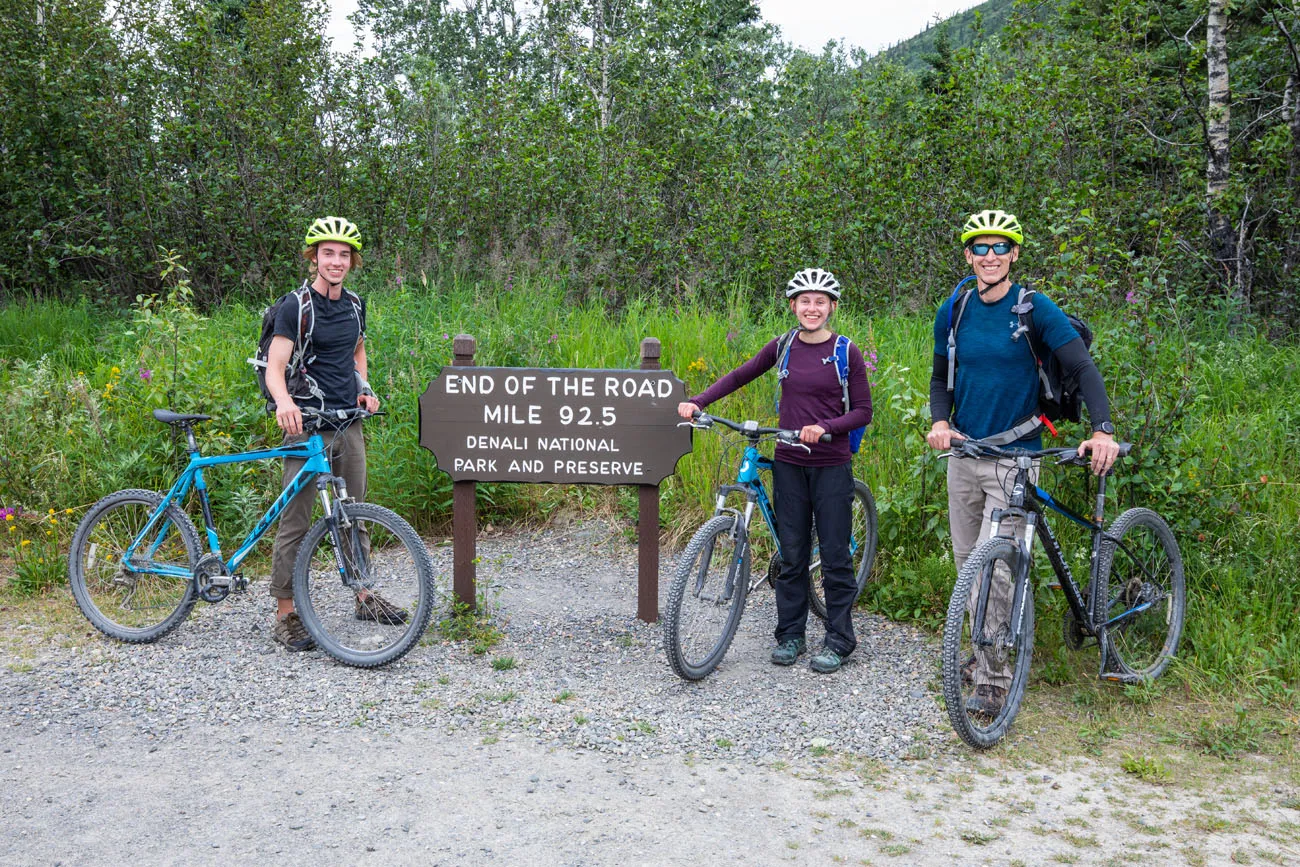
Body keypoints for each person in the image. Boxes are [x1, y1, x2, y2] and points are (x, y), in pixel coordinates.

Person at [926, 209, 1120, 713]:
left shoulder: (1034, 308)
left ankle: (994, 677)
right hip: (964, 452)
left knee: (1000, 570)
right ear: (968, 255)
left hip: (1015, 458)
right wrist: (940, 421)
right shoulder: (957, 306)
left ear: (1013, 255)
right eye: (980, 248)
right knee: (969, 564)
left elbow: (1081, 365)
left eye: (999, 248)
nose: (989, 257)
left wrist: (1102, 430)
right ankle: (982, 647)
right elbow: (938, 375)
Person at [678, 269, 872, 673]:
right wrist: (698, 401)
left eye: (820, 301)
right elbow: (741, 375)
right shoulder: (783, 346)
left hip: (830, 464)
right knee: (791, 552)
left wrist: (826, 428)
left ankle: (839, 639)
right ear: (793, 306)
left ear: (832, 307)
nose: (812, 308)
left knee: (835, 555)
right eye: (805, 301)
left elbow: (862, 412)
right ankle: (791, 635)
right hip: (788, 462)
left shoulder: (845, 351)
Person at [265, 216, 399, 651]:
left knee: (353, 511)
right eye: (328, 253)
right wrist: (285, 402)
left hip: (347, 422)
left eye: (344, 255)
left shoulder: (355, 304)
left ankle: (363, 594)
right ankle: (286, 613)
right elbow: (275, 367)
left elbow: (357, 349)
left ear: (352, 261)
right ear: (314, 258)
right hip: (306, 428)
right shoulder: (295, 306)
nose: (336, 261)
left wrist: (365, 389)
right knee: (298, 518)